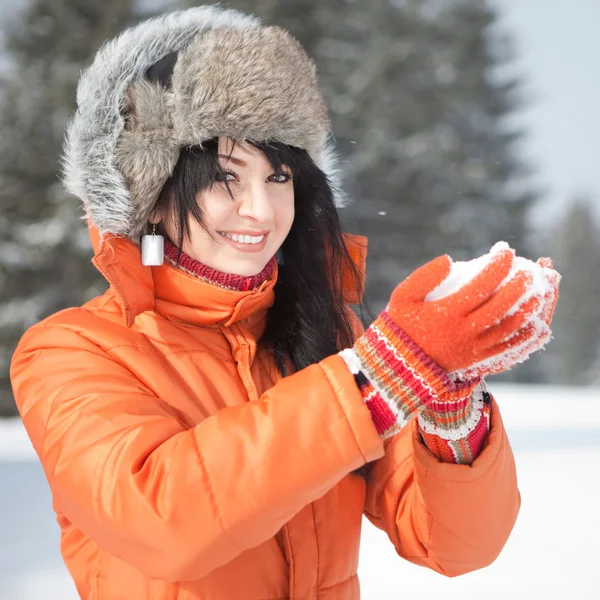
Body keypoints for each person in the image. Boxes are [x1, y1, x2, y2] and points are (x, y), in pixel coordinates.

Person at [9, 5, 560, 600]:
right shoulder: (70, 351)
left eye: (278, 178)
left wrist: (449, 409)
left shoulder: (327, 334)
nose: (262, 210)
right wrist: (383, 379)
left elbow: (454, 545)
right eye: (225, 177)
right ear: (154, 197)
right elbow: (161, 520)